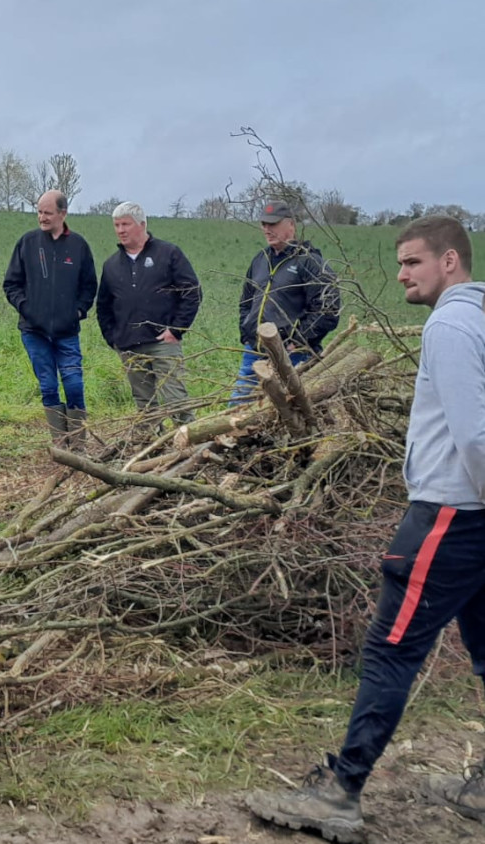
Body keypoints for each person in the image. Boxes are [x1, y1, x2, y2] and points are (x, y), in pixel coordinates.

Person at [246, 216, 485, 843]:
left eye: (412, 263)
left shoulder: (453, 326)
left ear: (451, 262)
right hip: (471, 518)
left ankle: (342, 792)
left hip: (451, 518)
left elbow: (475, 435)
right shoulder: (482, 317)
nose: (401, 274)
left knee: (391, 649)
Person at [2, 190, 98, 446]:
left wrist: (78, 311)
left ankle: (78, 445)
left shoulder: (78, 246)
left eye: (47, 213)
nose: (42, 217)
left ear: (63, 214)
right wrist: (25, 307)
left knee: (74, 384)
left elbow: (89, 286)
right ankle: (60, 443)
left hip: (67, 331)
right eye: (39, 212)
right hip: (34, 331)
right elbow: (11, 284)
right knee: (48, 385)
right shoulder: (28, 243)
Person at [96, 201, 202, 428]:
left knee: (176, 399)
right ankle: (151, 450)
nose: (121, 230)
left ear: (142, 225)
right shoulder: (112, 265)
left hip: (163, 342)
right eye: (117, 225)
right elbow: (103, 306)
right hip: (130, 346)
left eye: (126, 224)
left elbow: (191, 292)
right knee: (144, 405)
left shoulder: (168, 253)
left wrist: (176, 330)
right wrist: (113, 338)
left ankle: (193, 444)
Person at [231, 200, 343, 403]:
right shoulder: (260, 259)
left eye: (273, 224)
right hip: (254, 352)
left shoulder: (309, 262)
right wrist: (246, 331)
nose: (267, 229)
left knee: (287, 411)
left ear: (290, 225)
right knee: (237, 408)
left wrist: (297, 341)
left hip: (292, 355)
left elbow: (328, 310)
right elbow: (246, 300)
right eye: (264, 224)